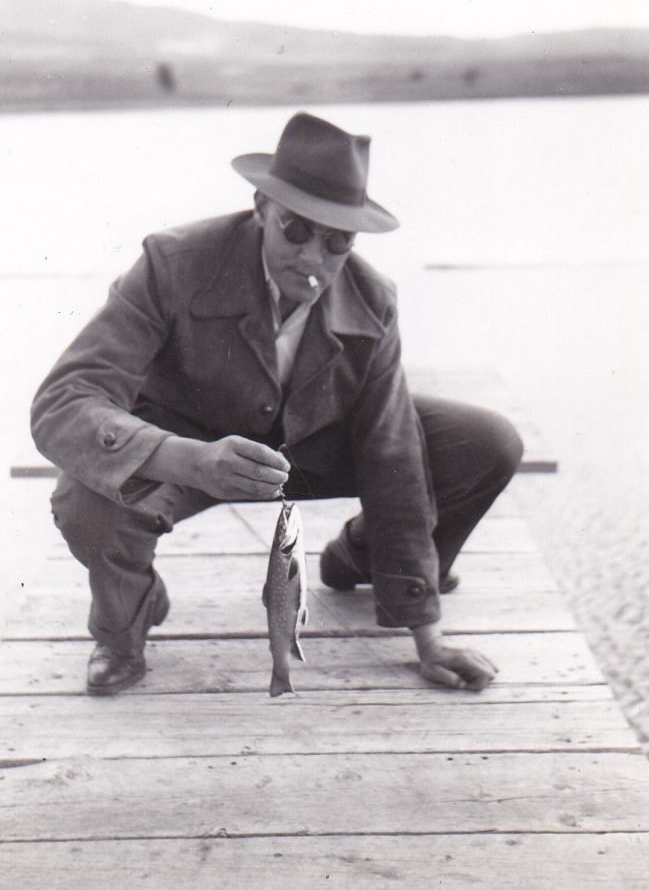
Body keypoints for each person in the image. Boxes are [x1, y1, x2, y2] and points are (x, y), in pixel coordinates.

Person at [31, 111, 523, 696]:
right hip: (189, 448)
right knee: (82, 499)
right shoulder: (173, 263)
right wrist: (187, 459)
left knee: (486, 442)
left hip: (311, 448)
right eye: (296, 230)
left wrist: (427, 635)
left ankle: (358, 560)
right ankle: (124, 627)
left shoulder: (374, 299)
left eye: (337, 241)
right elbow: (64, 400)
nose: (314, 257)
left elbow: (392, 451)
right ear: (262, 208)